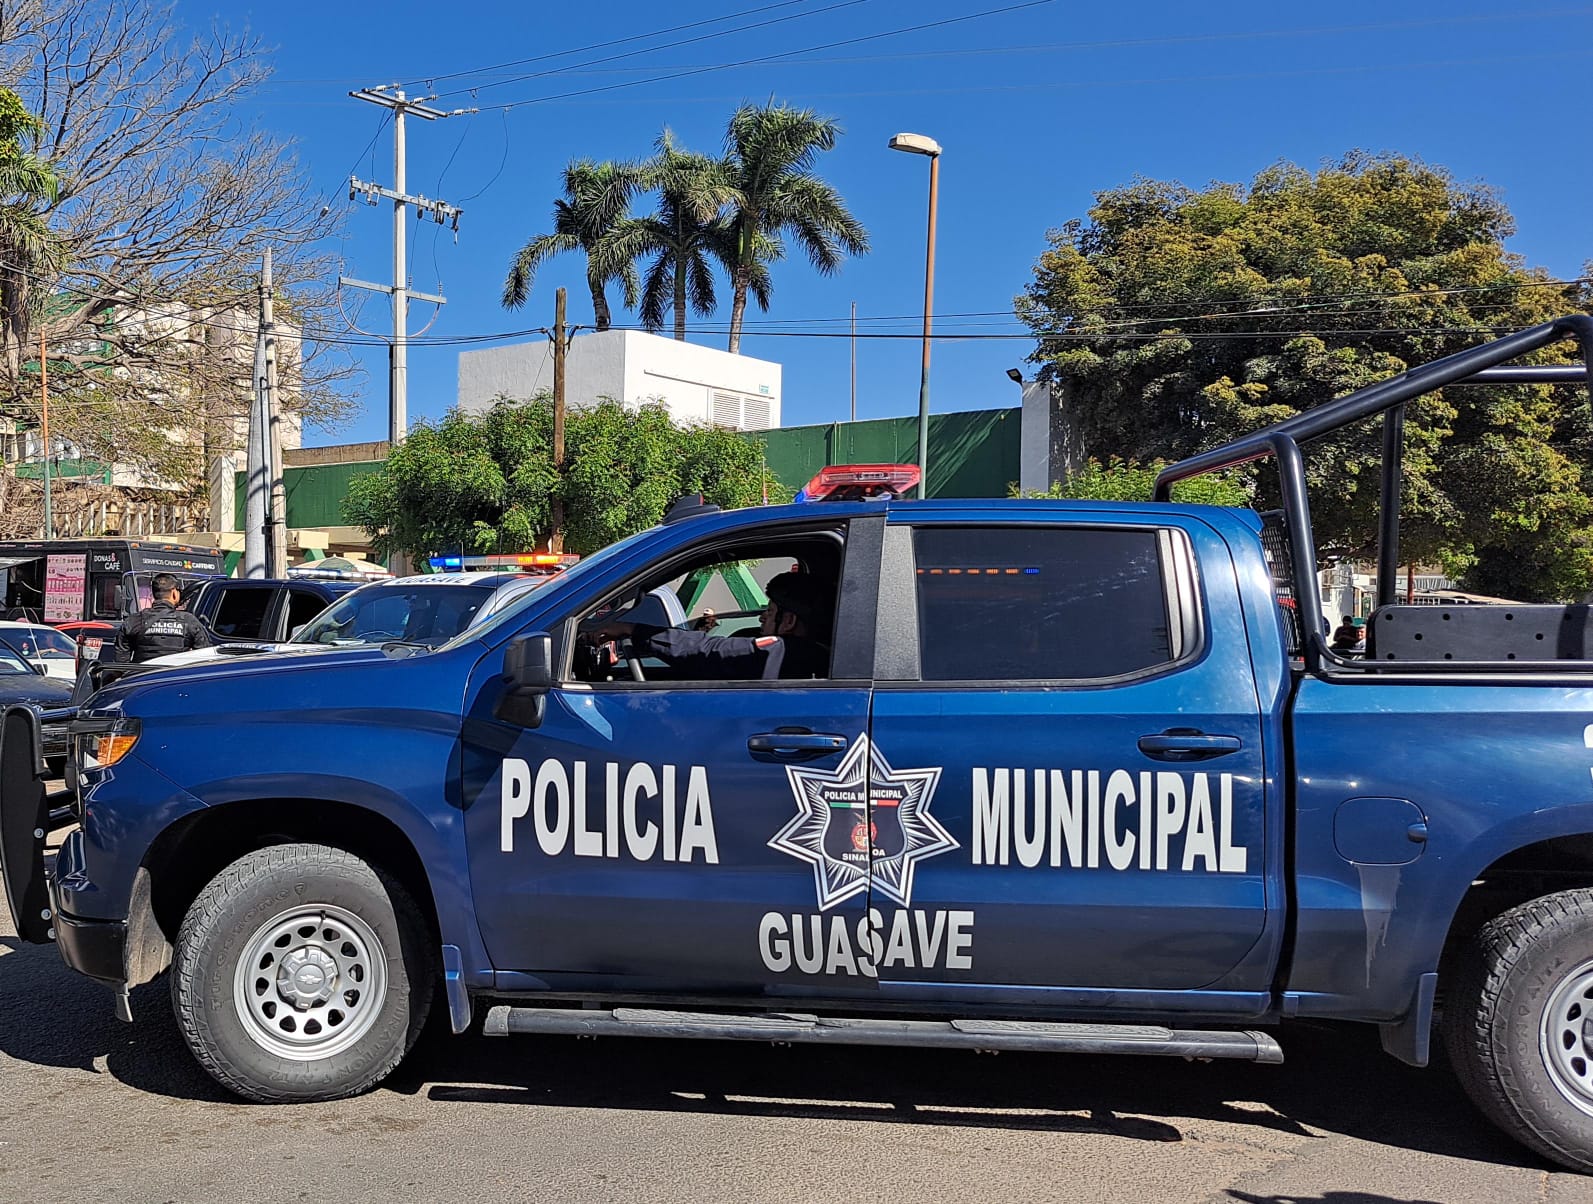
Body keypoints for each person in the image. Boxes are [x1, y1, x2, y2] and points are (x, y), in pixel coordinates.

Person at [583, 571, 832, 680]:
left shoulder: (786, 652)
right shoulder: (811, 654)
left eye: (769, 612)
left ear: (788, 621)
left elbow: (711, 652)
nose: (762, 618)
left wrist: (632, 629)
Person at [113, 573, 211, 663]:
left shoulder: (134, 620)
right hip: (174, 679)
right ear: (174, 593)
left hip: (141, 678)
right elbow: (204, 657)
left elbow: (121, 663)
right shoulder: (189, 621)